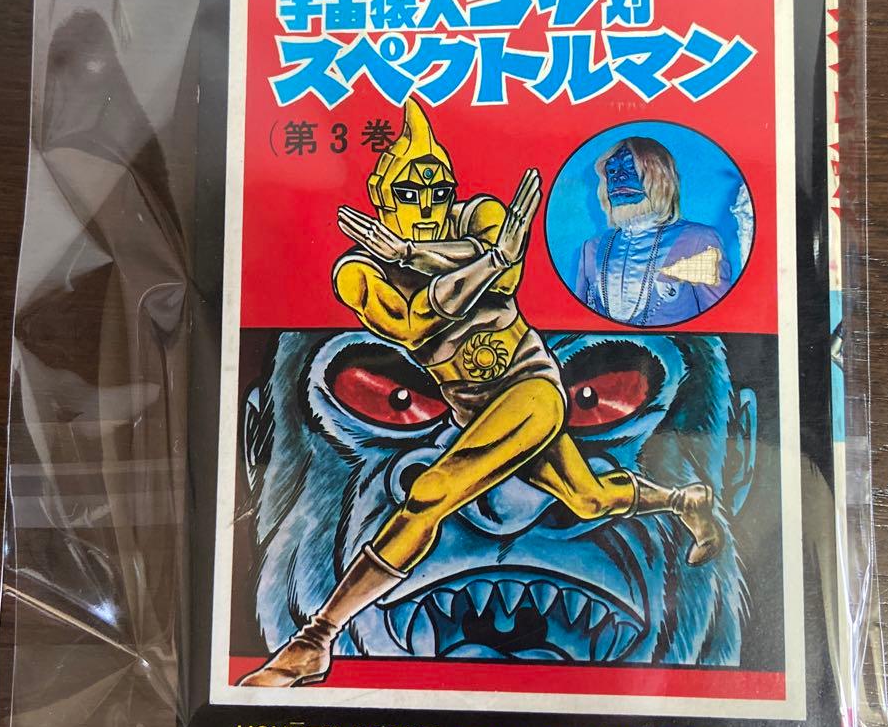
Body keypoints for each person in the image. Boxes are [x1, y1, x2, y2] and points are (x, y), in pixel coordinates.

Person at [238, 100, 722, 688]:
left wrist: (423, 255)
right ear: (383, 197)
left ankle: (316, 639)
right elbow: (416, 321)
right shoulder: (358, 272)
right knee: (590, 499)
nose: (428, 206)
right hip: (473, 409)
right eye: (410, 193)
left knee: (430, 492)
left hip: (531, 389)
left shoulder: (480, 216)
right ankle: (684, 501)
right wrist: (465, 262)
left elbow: (508, 273)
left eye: (437, 191)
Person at [576, 137, 732, 326]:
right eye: (612, 171)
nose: (618, 178)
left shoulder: (698, 241)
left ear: (660, 178)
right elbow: (577, 323)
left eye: (631, 168)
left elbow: (721, 323)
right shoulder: (591, 248)